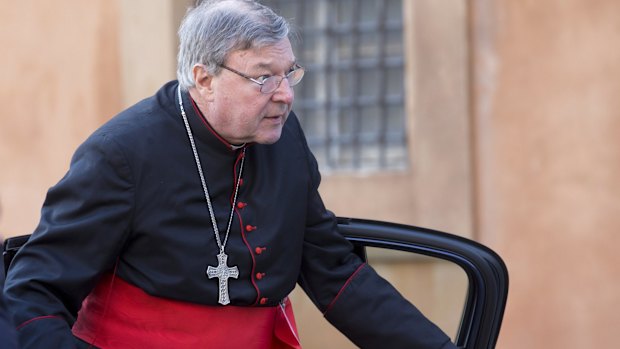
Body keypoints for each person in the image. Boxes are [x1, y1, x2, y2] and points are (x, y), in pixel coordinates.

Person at [4, 1, 458, 348]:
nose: (285, 95)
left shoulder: (285, 141)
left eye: (289, 74)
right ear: (204, 79)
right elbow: (33, 292)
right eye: (264, 77)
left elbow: (334, 273)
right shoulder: (121, 154)